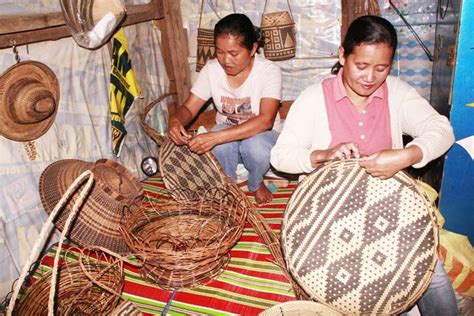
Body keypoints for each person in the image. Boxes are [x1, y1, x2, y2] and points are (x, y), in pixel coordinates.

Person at [270, 15, 457, 315]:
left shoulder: (396, 93)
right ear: (343, 56)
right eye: (361, 66)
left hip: (387, 210)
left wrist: (406, 156)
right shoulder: (315, 98)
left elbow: (442, 129)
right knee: (340, 286)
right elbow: (280, 156)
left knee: (427, 268)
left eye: (381, 68)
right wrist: (323, 154)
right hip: (327, 215)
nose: (370, 78)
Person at [168, 13, 282, 205]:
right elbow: (188, 107)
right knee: (220, 141)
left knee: (254, 147)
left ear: (253, 48)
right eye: (220, 52)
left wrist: (215, 137)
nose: (225, 60)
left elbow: (265, 120)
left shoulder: (268, 71)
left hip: (262, 138)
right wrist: (175, 121)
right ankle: (228, 185)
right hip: (228, 144)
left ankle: (255, 182)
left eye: (233, 53)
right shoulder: (212, 70)